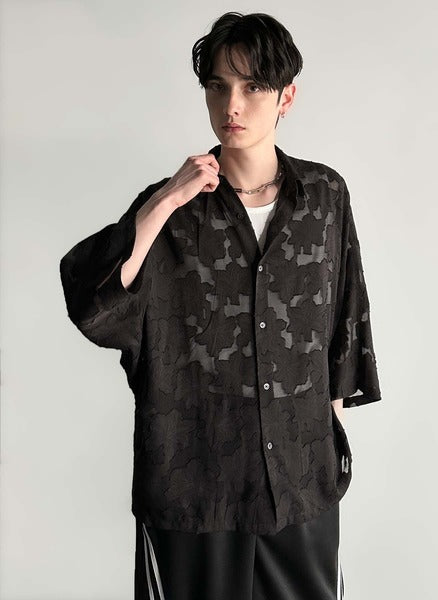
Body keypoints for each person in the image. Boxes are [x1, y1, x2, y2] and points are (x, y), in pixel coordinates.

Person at [59, 11, 381, 600]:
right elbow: (94, 306)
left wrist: (320, 442)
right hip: (194, 493)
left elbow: (344, 327)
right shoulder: (171, 210)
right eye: (217, 86)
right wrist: (163, 202)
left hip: (299, 488)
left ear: (286, 97)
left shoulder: (325, 197)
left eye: (253, 86)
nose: (232, 104)